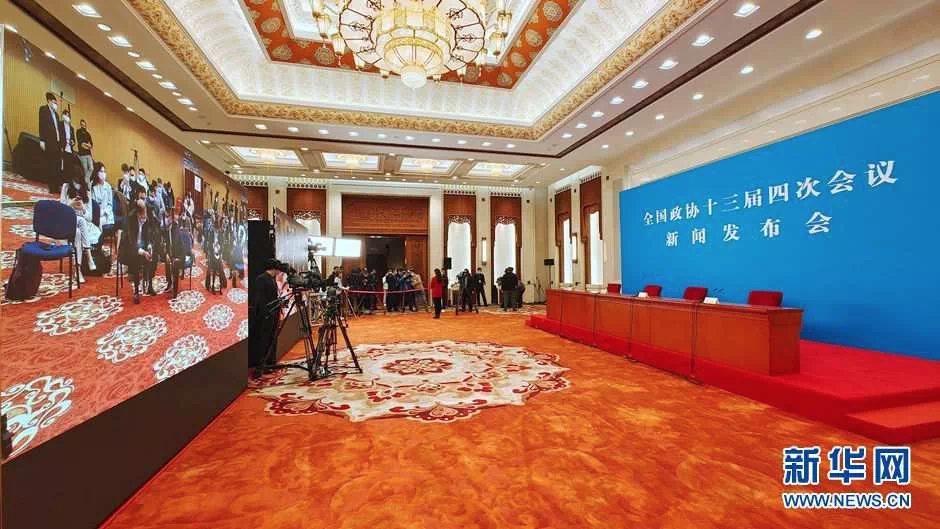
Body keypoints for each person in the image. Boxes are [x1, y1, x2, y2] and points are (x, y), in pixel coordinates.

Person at [60, 157, 101, 282]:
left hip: (83, 226)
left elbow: (89, 217)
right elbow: (60, 210)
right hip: (69, 221)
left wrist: (83, 208)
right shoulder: (66, 187)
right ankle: (89, 256)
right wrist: (70, 204)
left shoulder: (86, 190)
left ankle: (78, 271)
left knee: (78, 232)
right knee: (79, 224)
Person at [117, 192, 158, 304]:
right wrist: (143, 252)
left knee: (154, 256)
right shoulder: (130, 219)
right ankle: (136, 291)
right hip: (129, 248)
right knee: (136, 258)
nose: (144, 218)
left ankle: (149, 285)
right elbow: (131, 243)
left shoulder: (148, 217)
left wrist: (149, 246)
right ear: (137, 213)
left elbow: (151, 235)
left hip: (143, 244)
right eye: (142, 216)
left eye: (145, 214)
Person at [249, 258, 282, 370]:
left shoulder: (271, 279)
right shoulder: (262, 279)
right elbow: (260, 299)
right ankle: (263, 363)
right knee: (264, 339)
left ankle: (271, 361)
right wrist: (266, 313)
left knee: (272, 337)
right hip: (266, 315)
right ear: (274, 268)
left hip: (273, 312)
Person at [38, 92, 64, 193]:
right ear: (49, 101)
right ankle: (52, 187)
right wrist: (42, 140)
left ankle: (57, 187)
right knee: (51, 165)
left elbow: (58, 129)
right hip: (49, 141)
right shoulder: (43, 110)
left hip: (57, 143)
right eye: (54, 102)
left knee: (57, 165)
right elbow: (41, 125)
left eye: (56, 103)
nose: (55, 105)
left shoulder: (56, 115)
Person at [90, 162, 114, 228]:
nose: (103, 173)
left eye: (104, 171)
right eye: (101, 171)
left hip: (106, 215)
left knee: (99, 222)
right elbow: (90, 203)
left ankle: (99, 235)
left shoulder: (108, 186)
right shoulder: (92, 186)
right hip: (94, 214)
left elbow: (110, 205)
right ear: (96, 173)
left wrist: (103, 212)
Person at [76, 118, 94, 184]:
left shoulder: (88, 134)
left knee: (91, 168)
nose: (83, 126)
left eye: (84, 125)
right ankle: (87, 185)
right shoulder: (78, 132)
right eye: (82, 125)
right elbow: (81, 144)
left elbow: (91, 145)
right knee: (85, 170)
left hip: (88, 154)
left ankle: (86, 181)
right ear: (80, 125)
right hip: (82, 154)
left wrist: (87, 145)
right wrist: (87, 145)